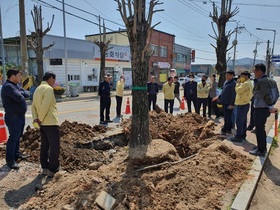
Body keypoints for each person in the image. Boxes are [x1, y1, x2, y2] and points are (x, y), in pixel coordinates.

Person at [31, 71, 60, 178]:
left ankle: (45, 168)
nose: (54, 82)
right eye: (54, 80)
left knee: (45, 146)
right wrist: (40, 119)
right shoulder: (48, 89)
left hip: (42, 124)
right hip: (50, 122)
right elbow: (46, 105)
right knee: (54, 146)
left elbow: (33, 106)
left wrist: (36, 119)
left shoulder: (37, 89)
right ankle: (53, 169)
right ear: (51, 78)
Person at [1, 69, 30, 169]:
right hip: (13, 117)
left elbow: (27, 93)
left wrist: (21, 92)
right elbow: (19, 98)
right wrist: (21, 93)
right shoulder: (8, 87)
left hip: (19, 116)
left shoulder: (15, 86)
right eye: (19, 75)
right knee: (13, 138)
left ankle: (16, 155)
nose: (21, 78)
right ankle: (10, 160)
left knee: (18, 137)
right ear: (13, 76)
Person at [249, 63, 279, 156]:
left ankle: (261, 150)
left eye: (254, 71)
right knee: (261, 128)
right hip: (265, 108)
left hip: (261, 109)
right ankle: (261, 146)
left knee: (259, 129)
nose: (254, 73)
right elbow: (277, 94)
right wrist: (271, 105)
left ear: (259, 71)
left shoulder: (261, 81)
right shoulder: (272, 81)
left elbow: (266, 95)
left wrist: (270, 106)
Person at [230, 71, 253, 142]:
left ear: (246, 76)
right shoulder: (249, 83)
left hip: (242, 104)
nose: (240, 78)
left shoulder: (245, 83)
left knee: (239, 121)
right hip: (244, 103)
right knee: (243, 121)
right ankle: (243, 134)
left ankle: (239, 136)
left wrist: (237, 83)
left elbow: (238, 91)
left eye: (241, 76)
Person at [213, 70, 236, 135]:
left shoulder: (233, 83)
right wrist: (218, 97)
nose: (226, 76)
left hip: (229, 103)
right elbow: (223, 92)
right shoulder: (226, 82)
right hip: (224, 101)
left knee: (227, 117)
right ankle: (228, 129)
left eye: (228, 75)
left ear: (232, 75)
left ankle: (225, 130)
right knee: (226, 116)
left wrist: (232, 104)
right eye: (226, 75)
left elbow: (233, 95)